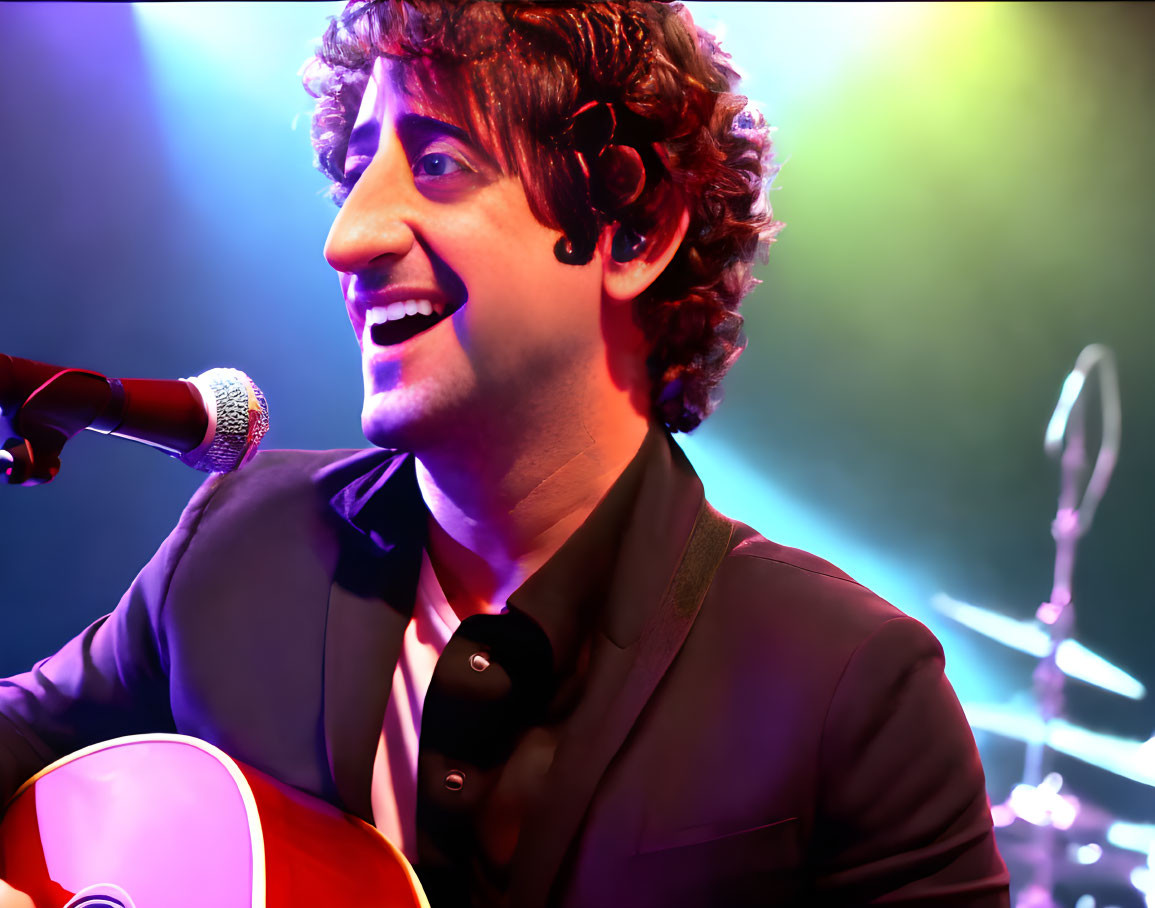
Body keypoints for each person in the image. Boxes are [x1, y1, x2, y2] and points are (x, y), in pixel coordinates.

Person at [0, 1, 1010, 905]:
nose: (347, 238)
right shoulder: (242, 538)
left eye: (438, 162)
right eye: (356, 172)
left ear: (635, 230)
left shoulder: (851, 684)